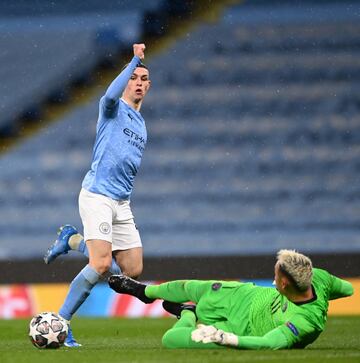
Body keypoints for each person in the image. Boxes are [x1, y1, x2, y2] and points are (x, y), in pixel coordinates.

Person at [43, 43, 151, 347]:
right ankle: (61, 323)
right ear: (126, 80)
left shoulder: (142, 126)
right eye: (134, 78)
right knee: (102, 264)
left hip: (121, 202)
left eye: (143, 79)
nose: (139, 82)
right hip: (97, 196)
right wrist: (133, 61)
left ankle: (72, 240)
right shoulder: (112, 109)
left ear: (149, 85)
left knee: (132, 271)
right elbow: (108, 94)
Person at [108, 249, 354, 350]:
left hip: (241, 329)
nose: (273, 274)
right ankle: (144, 292)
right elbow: (348, 290)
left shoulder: (305, 322)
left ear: (284, 283)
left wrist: (226, 338)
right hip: (245, 296)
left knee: (171, 340)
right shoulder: (318, 277)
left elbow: (269, 343)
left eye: (276, 273)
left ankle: (187, 313)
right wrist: (324, 297)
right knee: (195, 287)